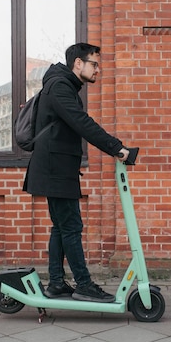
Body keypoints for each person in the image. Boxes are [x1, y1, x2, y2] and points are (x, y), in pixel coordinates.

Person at [24, 43, 130, 303]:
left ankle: (58, 283)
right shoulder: (60, 87)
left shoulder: (62, 86)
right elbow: (81, 123)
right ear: (78, 63)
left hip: (57, 167)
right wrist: (116, 147)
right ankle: (83, 284)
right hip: (54, 168)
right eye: (94, 64)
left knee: (61, 228)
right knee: (71, 227)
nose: (98, 69)